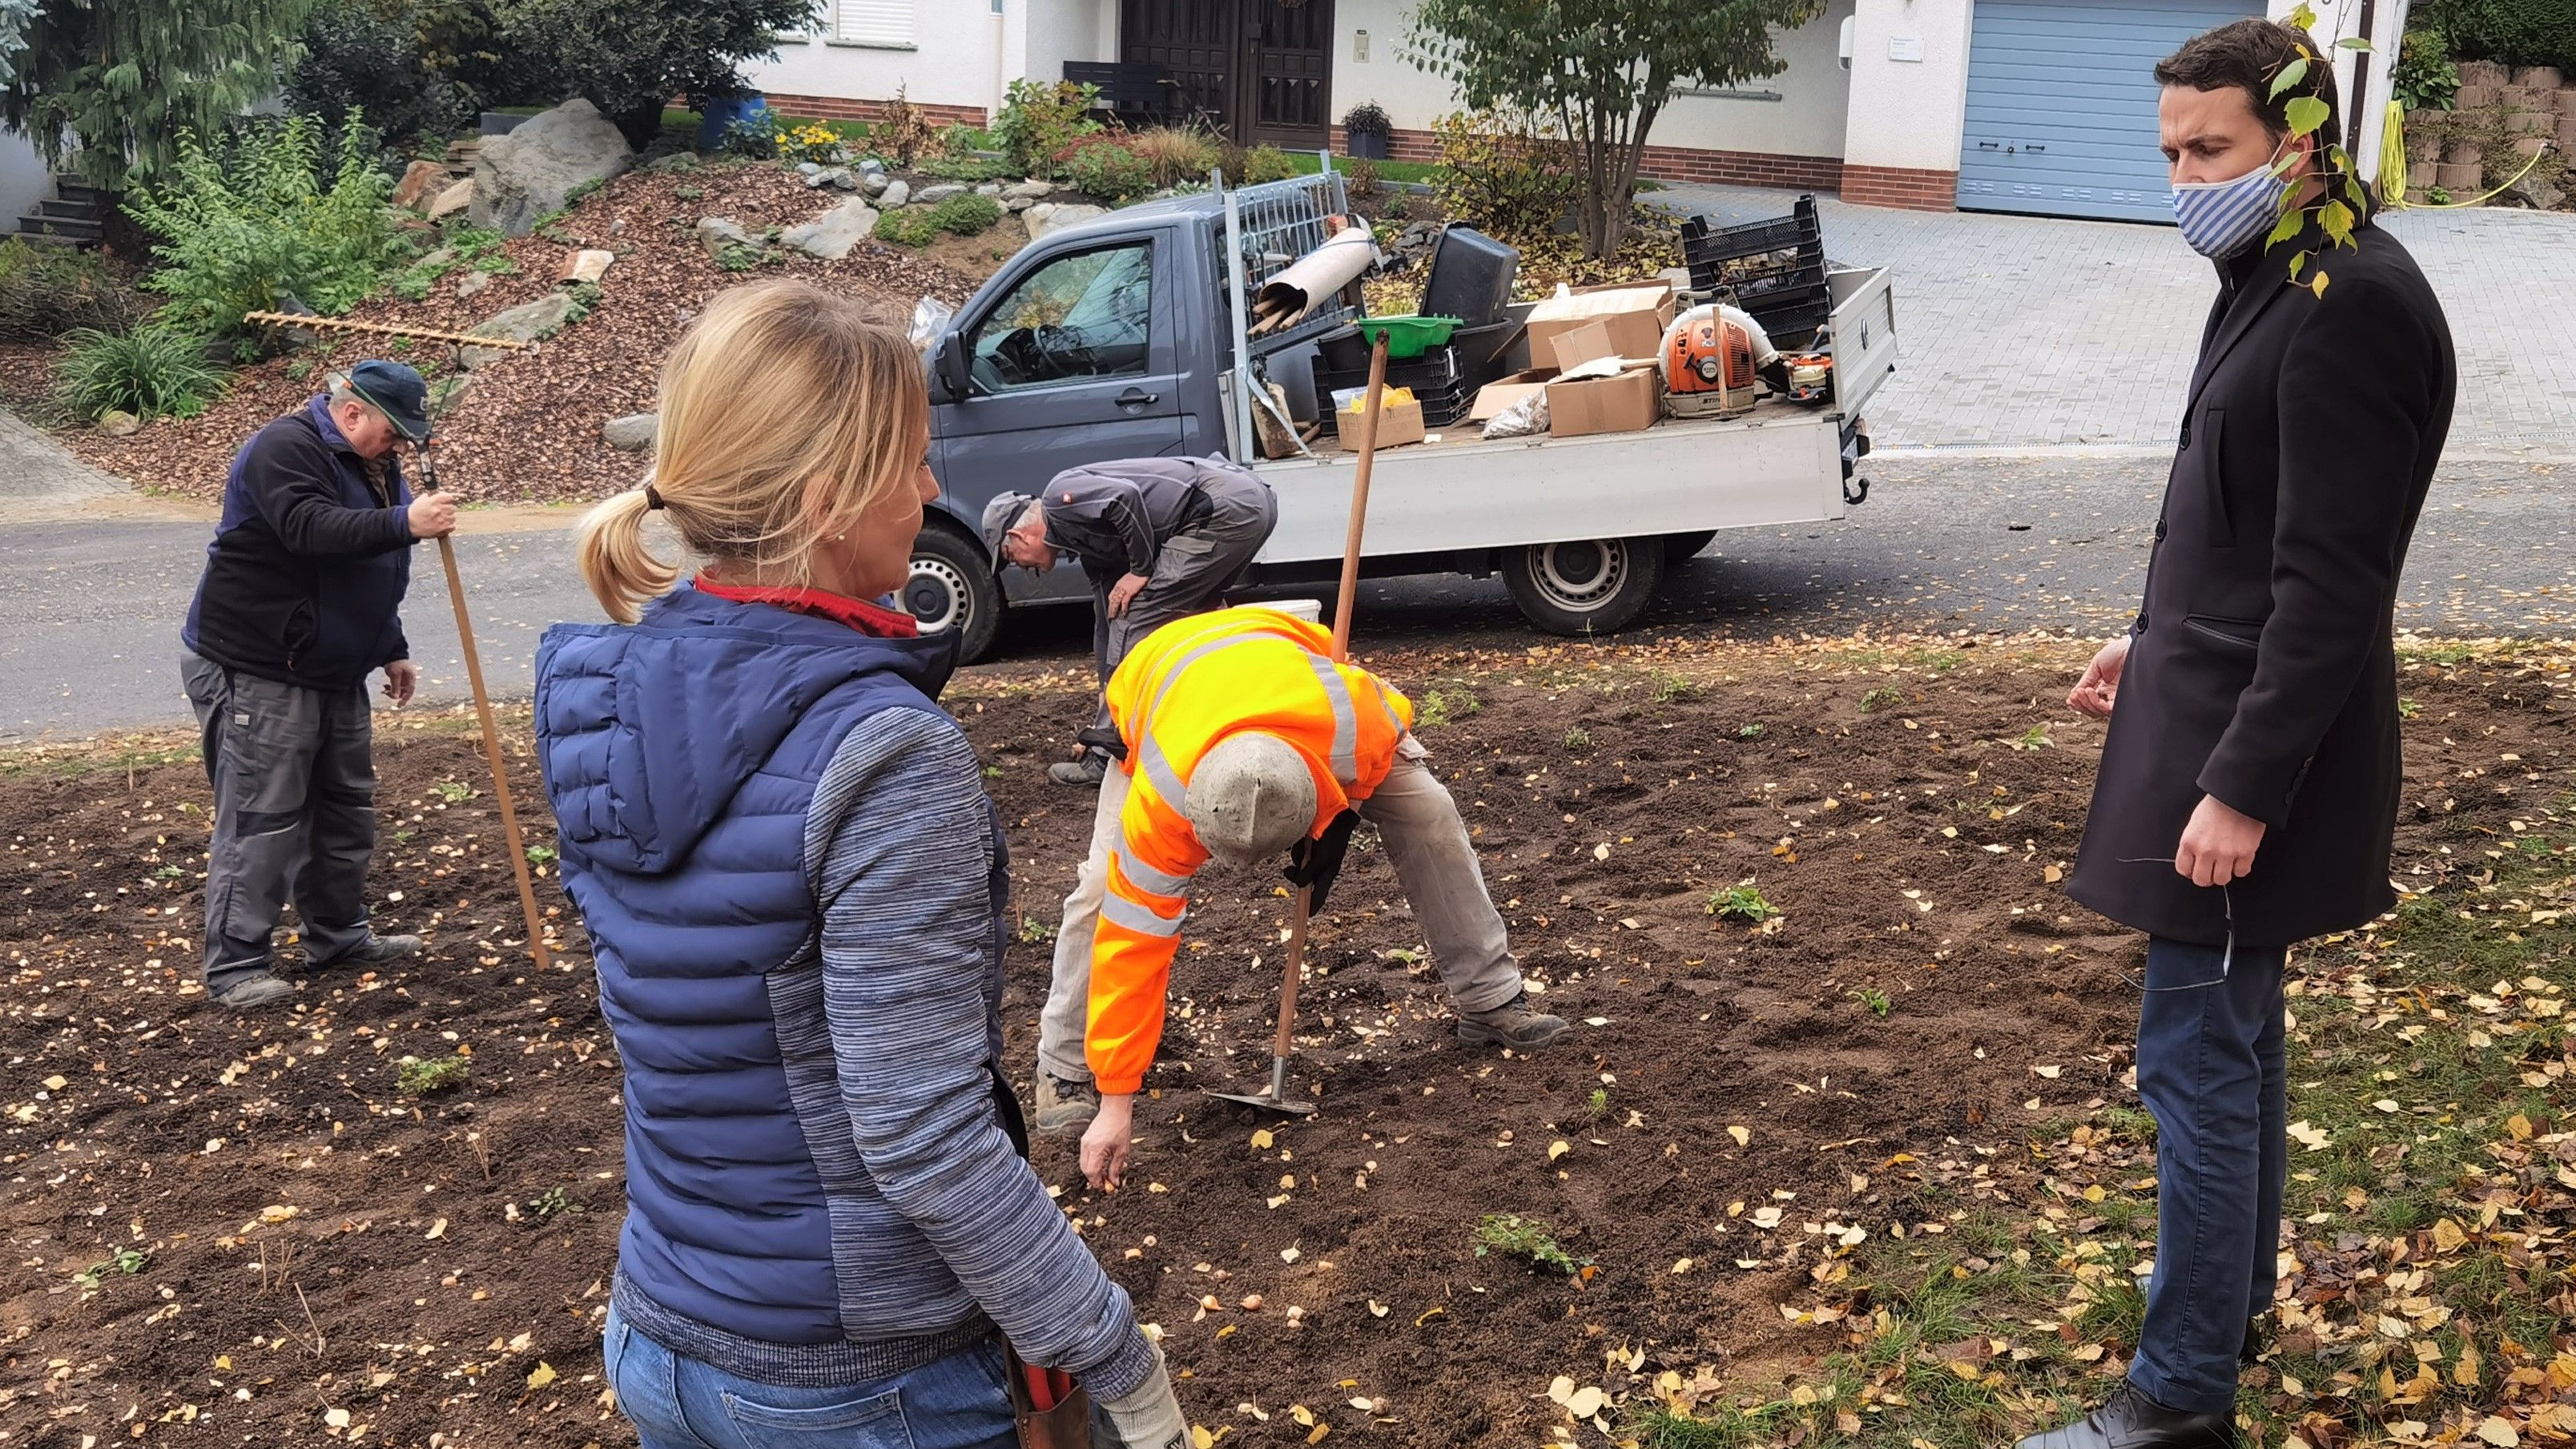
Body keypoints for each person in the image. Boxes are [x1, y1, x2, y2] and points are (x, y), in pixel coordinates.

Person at [535, 280, 1186, 1449]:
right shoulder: (884, 753)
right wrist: (1115, 1352)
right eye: (916, 462)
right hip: (857, 1383)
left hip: (664, 1339)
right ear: (828, 500)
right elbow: (923, 1139)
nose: (934, 491)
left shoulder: (607, 704)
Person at [2031, 21, 2456, 1449]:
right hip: (2210, 701)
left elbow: (2333, 584)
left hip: (2254, 756)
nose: (2181, 180)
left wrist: (2240, 788)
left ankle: (2176, 1398)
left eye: (2205, 149)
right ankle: (2224, 1309)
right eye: (2166, 152)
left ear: (2300, 143)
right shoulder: (2277, 269)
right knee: (2235, 1037)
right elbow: (2250, 521)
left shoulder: (2348, 301)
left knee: (2195, 1050)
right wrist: (2150, 636)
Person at [1028, 606, 1569, 1164]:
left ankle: (1490, 999)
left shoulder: (1353, 723)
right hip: (1163, 681)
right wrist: (1118, 1103)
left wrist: (1341, 813)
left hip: (1288, 675)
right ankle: (1064, 1067)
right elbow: (1133, 941)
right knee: (1101, 890)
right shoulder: (1162, 795)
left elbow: (1391, 731)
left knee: (1429, 812)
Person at [179, 360, 457, 1010]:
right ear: (352, 412)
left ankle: (338, 937)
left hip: (332, 666)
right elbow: (310, 529)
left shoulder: (377, 464)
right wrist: (406, 522)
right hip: (257, 664)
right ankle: (236, 965)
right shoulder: (284, 447)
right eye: (393, 433)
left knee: (344, 806)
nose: (398, 448)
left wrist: (391, 645)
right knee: (264, 814)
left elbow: (373, 564)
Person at [980, 456, 1279, 787]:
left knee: (1137, 612)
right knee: (1200, 615)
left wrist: (1140, 569)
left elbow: (1124, 497)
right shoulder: (1083, 538)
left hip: (1222, 508)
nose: (1020, 568)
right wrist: (1105, 694)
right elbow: (1105, 620)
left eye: (1010, 558)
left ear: (1018, 536)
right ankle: (1241, 716)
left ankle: (1104, 756)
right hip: (1250, 502)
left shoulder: (1058, 499)